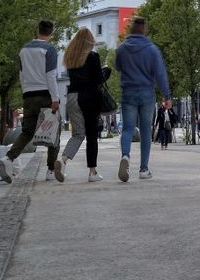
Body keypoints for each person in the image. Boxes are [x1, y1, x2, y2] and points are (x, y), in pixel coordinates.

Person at [0, 20, 61, 184]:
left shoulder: (23, 50)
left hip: (29, 95)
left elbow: (21, 74)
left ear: (37, 30)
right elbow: (50, 76)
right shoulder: (50, 49)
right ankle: (51, 170)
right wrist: (55, 99)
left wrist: (25, 92)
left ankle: (8, 159)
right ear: (51, 33)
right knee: (53, 132)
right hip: (46, 95)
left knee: (27, 132)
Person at [114, 16, 172, 182]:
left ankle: (125, 156)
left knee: (127, 128)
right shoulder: (152, 49)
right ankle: (143, 169)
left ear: (131, 29)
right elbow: (160, 74)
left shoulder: (122, 48)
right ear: (144, 30)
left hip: (128, 92)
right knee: (146, 130)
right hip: (146, 92)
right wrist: (167, 95)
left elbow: (118, 66)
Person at [53, 27, 103, 183]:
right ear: (90, 41)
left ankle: (63, 160)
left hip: (73, 97)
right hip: (89, 97)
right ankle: (92, 172)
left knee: (78, 134)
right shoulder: (93, 57)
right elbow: (99, 80)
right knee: (92, 136)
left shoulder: (70, 57)